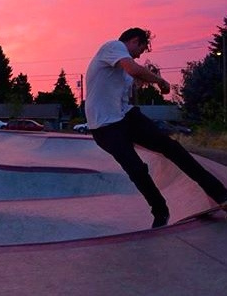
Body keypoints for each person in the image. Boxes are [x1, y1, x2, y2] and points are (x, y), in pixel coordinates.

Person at [86, 27, 227, 228]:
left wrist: (143, 82)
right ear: (135, 41)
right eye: (141, 49)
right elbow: (133, 69)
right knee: (136, 168)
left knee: (172, 148)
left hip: (126, 116)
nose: (140, 54)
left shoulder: (123, 68)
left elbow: (131, 82)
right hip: (105, 127)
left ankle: (220, 194)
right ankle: (160, 211)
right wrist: (159, 80)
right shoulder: (113, 46)